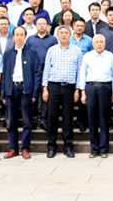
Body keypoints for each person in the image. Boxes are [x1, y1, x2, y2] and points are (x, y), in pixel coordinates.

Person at [0, 26, 41, 159]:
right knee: (11, 120)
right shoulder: (8, 53)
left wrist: (35, 93)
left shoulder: (32, 52)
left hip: (26, 89)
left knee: (27, 120)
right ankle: (13, 148)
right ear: (13, 36)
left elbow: (36, 74)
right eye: (16, 34)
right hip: (11, 88)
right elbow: (4, 73)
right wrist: (3, 93)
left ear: (25, 36)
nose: (19, 37)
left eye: (21, 34)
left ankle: (25, 148)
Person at [42, 25, 83, 158]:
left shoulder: (77, 51)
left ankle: (68, 146)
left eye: (66, 33)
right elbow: (46, 70)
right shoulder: (52, 50)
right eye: (61, 33)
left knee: (68, 117)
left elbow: (80, 71)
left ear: (70, 35)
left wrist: (78, 89)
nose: (64, 35)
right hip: (53, 86)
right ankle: (51, 146)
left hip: (69, 87)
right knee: (52, 117)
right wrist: (45, 88)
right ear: (57, 36)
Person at [78, 34, 113, 158]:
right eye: (97, 42)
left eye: (101, 42)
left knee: (104, 118)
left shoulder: (110, 56)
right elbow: (82, 73)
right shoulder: (87, 56)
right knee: (92, 118)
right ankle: (94, 149)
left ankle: (104, 149)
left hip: (105, 87)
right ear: (93, 44)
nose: (99, 44)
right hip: (91, 87)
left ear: (105, 44)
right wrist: (83, 92)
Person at [25, 17, 58, 130]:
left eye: (44, 24)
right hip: (33, 70)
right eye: (39, 24)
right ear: (36, 25)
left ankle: (44, 120)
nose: (42, 26)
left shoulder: (53, 39)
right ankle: (33, 120)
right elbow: (26, 54)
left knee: (45, 96)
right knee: (33, 95)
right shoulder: (30, 39)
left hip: (47, 70)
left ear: (48, 26)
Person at [71, 18, 93, 132]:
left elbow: (93, 55)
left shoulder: (89, 40)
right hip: (70, 71)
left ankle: (81, 122)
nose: (79, 28)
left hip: (84, 72)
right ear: (73, 26)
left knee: (83, 99)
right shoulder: (68, 39)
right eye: (77, 25)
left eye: (82, 26)